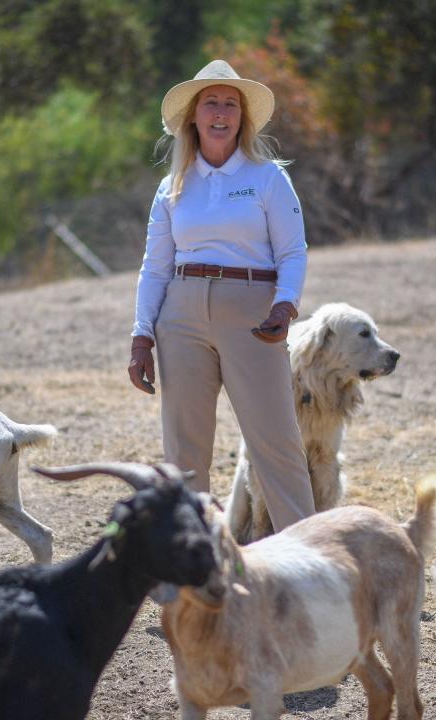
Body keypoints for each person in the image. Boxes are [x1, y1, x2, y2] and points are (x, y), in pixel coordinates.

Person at [127, 59, 317, 533]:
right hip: (181, 314)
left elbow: (293, 251)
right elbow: (155, 267)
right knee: (185, 450)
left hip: (254, 311)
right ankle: (195, 561)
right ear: (193, 114)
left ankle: (312, 558)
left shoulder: (268, 177)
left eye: (230, 104)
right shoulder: (171, 187)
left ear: (241, 117)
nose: (220, 111)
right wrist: (141, 336)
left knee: (276, 441)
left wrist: (285, 304)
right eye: (210, 101)